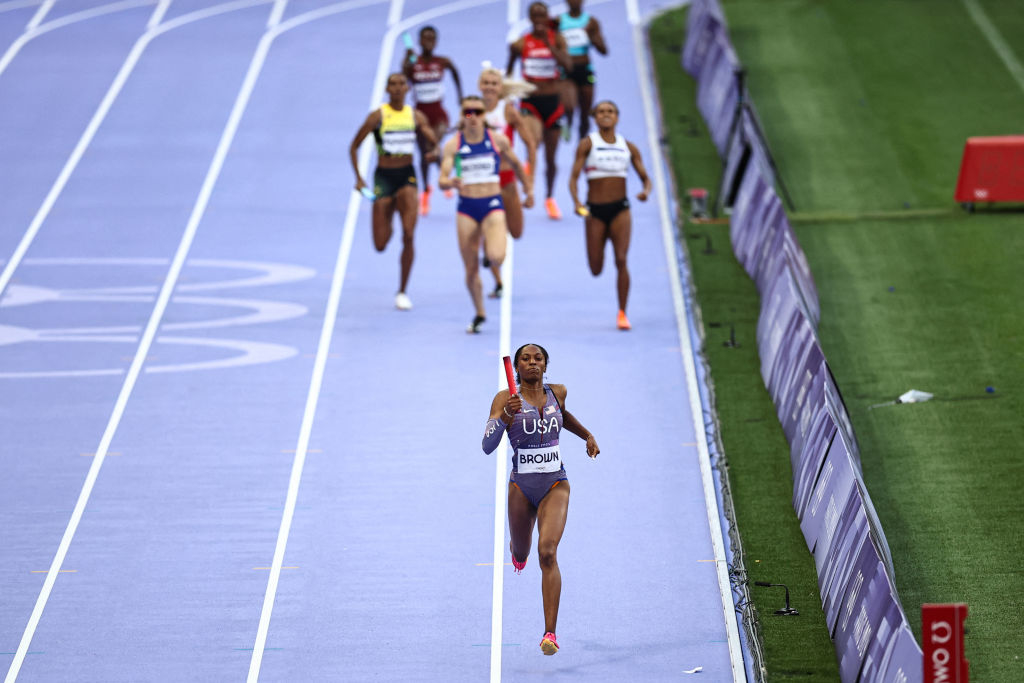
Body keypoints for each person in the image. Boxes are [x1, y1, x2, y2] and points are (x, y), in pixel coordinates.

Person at [481, 343, 600, 656]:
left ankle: (550, 633)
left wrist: (587, 434)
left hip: (554, 484)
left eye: (538, 359)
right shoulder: (504, 399)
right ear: (517, 367)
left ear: (546, 366)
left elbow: (564, 415)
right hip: (520, 487)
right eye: (525, 359)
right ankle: (517, 551)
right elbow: (487, 445)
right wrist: (505, 416)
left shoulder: (557, 392)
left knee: (547, 552)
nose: (532, 362)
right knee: (522, 550)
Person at [438, 96, 532, 333]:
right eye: (468, 112)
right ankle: (480, 312)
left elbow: (518, 166)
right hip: (467, 208)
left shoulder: (497, 140)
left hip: (492, 204)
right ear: (462, 116)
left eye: (478, 112)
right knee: (470, 271)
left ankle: (490, 256)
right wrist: (451, 182)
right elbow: (441, 179)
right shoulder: (453, 145)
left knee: (497, 256)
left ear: (484, 116)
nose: (473, 117)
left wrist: (528, 190)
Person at [349, 72, 438, 311]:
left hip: (407, 176)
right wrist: (359, 178)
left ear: (408, 88)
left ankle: (402, 290)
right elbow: (354, 147)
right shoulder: (378, 116)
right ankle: (389, 214)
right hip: (384, 178)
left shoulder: (415, 116)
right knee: (380, 244)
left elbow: (432, 140)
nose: (397, 88)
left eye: (401, 84)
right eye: (393, 84)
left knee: (409, 235)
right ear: (387, 89)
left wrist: (435, 149)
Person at [568, 100, 652, 330]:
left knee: (622, 259)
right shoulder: (587, 144)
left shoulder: (629, 147)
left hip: (620, 210)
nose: (606, 115)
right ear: (595, 118)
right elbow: (574, 177)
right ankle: (600, 264)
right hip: (594, 211)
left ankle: (622, 312)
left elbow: (646, 178)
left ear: (617, 117)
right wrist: (576, 202)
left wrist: (645, 192)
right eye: (601, 112)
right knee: (596, 268)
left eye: (610, 111)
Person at [506, 0, 573, 220]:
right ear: (530, 18)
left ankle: (550, 198)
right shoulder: (520, 44)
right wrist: (506, 98)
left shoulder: (557, 39)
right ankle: (529, 189)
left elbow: (568, 65)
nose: (538, 19)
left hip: (553, 103)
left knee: (551, 158)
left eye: (542, 15)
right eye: (534, 15)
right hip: (530, 102)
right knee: (533, 143)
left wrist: (549, 45)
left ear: (546, 17)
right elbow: (508, 72)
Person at [480, 66, 537, 298]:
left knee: (516, 231)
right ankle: (498, 280)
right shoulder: (472, 111)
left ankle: (495, 243)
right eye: (486, 83)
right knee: (490, 233)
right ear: (479, 86)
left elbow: (530, 144)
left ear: (500, 88)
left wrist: (529, 182)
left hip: (507, 179)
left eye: (494, 83)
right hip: (483, 183)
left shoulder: (508, 111)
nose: (490, 87)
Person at [403, 25, 463, 216]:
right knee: (424, 154)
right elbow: (403, 79)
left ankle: (442, 180)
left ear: (436, 42)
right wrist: (407, 59)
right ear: (420, 41)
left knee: (433, 147)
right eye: (425, 38)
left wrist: (460, 96)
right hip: (420, 116)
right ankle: (427, 191)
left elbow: (455, 72)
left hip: (439, 116)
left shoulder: (442, 62)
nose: (428, 42)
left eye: (432, 38)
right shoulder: (413, 63)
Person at [555, 0, 607, 140]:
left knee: (586, 113)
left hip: (585, 69)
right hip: (566, 71)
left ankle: (581, 144)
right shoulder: (558, 21)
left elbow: (604, 50)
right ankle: (568, 122)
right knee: (569, 106)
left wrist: (591, 35)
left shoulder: (591, 22)